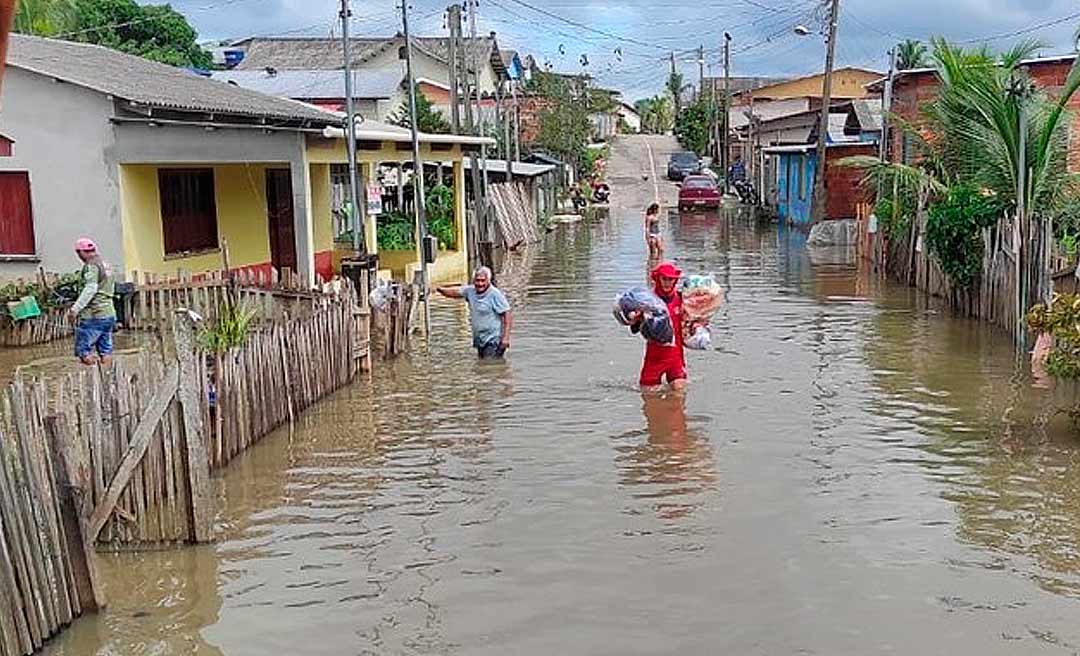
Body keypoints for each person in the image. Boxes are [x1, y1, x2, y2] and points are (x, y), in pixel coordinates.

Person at [631, 261, 687, 391]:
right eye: (664, 279)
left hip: (676, 357)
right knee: (648, 395)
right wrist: (636, 320)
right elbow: (634, 330)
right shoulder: (648, 302)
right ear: (657, 279)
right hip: (655, 357)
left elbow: (692, 322)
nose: (668, 282)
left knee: (679, 393)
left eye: (671, 279)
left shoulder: (681, 299)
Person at [436, 266, 513, 359]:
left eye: (483, 281)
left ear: (488, 281)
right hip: (480, 339)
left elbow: (507, 314)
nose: (480, 284)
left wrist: (506, 338)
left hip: (494, 340)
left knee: (488, 366)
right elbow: (454, 292)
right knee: (483, 365)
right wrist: (439, 289)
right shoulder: (470, 291)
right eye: (477, 280)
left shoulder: (495, 294)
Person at [66, 238, 117, 366]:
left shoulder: (92, 266)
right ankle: (107, 379)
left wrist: (74, 309)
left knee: (83, 352)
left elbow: (90, 288)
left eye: (79, 253)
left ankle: (91, 381)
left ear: (80, 252)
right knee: (105, 351)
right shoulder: (105, 264)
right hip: (108, 314)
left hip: (94, 315)